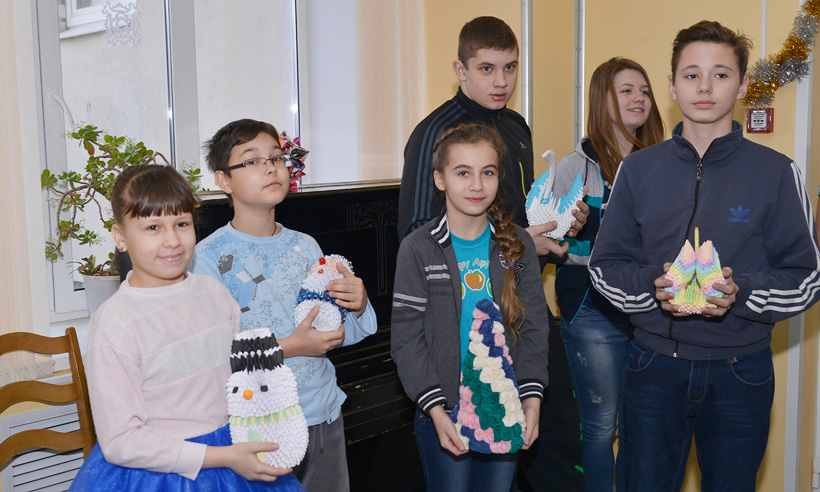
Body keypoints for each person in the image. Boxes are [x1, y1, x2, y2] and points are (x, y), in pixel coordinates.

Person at [588, 21, 820, 492]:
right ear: (673, 86)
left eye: (720, 74)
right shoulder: (637, 169)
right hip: (652, 366)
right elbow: (604, 266)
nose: (705, 86)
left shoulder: (777, 172)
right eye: (692, 75)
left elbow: (807, 277)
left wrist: (742, 293)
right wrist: (652, 288)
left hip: (742, 371)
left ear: (743, 85)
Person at [398, 17, 587, 489]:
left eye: (510, 67)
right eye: (487, 68)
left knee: (556, 442)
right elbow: (418, 231)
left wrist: (554, 225)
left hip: (514, 308)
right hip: (454, 333)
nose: (501, 81)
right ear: (460, 70)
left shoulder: (517, 126)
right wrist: (512, 245)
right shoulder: (432, 133)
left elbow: (519, 214)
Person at [70, 164, 304, 491]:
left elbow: (241, 383)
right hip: (159, 473)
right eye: (153, 227)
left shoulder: (215, 293)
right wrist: (223, 457)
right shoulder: (115, 322)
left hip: (234, 450)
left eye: (181, 223)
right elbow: (120, 440)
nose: (172, 241)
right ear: (120, 237)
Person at [190, 119, 378, 492]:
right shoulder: (206, 258)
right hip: (256, 422)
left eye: (276, 158)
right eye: (252, 161)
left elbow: (334, 329)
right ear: (224, 180)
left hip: (320, 412)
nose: (271, 168)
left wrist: (358, 303)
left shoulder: (306, 245)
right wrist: (293, 345)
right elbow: (213, 356)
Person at [391, 124, 550, 492]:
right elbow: (407, 339)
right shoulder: (418, 249)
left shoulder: (518, 245)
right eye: (463, 173)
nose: (477, 185)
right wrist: (435, 410)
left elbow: (534, 329)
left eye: (487, 172)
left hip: (504, 403)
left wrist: (531, 399)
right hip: (444, 409)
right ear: (440, 179)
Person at [552, 57, 664, 492]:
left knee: (641, 425)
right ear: (603, 99)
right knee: (600, 427)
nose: (639, 99)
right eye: (627, 90)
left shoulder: (661, 165)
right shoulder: (571, 168)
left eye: (645, 91)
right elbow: (551, 246)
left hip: (650, 311)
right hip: (591, 309)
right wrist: (578, 236)